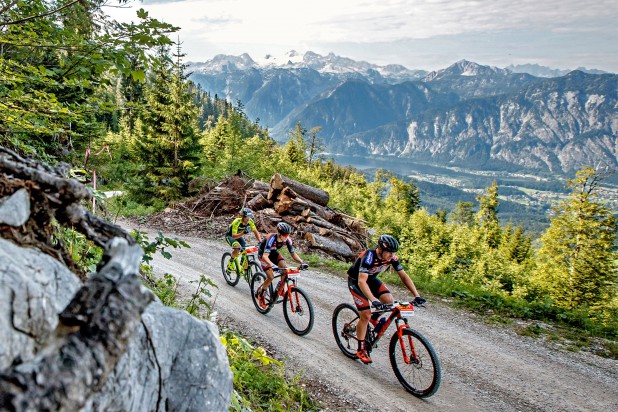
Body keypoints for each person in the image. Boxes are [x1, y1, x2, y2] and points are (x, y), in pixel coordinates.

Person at [347, 234, 426, 364]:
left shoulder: (392, 258)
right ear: (380, 249)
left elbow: (403, 276)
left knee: (389, 301)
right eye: (389, 252)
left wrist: (417, 295)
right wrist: (373, 300)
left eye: (393, 252)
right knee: (365, 314)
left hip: (371, 280)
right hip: (356, 282)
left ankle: (374, 318)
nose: (392, 255)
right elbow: (362, 282)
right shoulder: (369, 257)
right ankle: (361, 349)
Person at [255, 221, 308, 309]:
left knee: (284, 268)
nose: (286, 237)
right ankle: (261, 294)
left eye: (288, 235)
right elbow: (265, 256)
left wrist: (302, 262)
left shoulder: (287, 240)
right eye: (284, 235)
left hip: (273, 253)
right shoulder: (271, 239)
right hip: (263, 255)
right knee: (270, 277)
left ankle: (281, 289)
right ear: (279, 233)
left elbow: (293, 254)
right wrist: (272, 265)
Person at [225, 208, 262, 272]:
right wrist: (243, 233)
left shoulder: (250, 221)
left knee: (245, 250)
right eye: (247, 217)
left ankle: (245, 270)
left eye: (250, 217)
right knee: (237, 247)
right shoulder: (237, 222)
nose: (248, 219)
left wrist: (260, 241)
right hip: (230, 236)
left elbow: (255, 232)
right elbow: (234, 236)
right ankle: (231, 262)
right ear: (243, 217)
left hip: (238, 236)